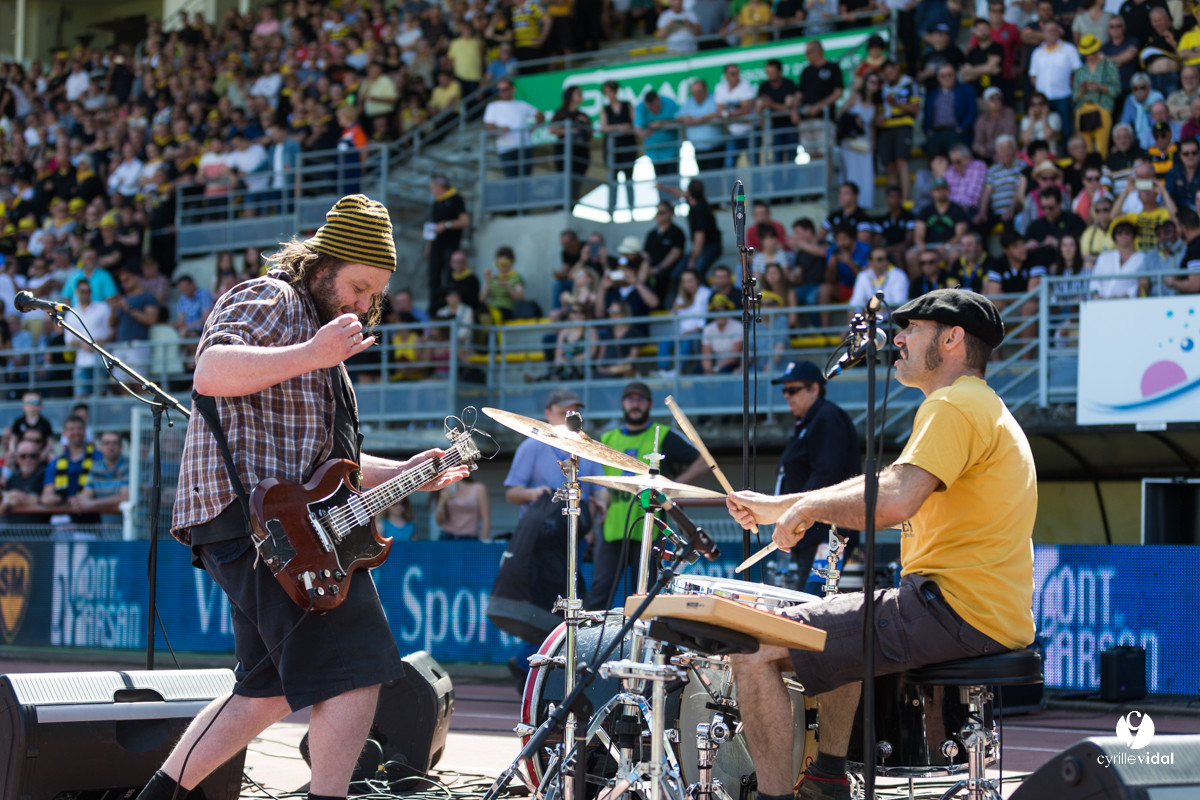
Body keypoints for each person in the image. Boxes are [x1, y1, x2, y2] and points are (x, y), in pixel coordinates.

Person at [134, 195, 469, 800]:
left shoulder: (324, 344)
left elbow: (325, 468)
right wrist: (313, 354)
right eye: (359, 286)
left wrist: (409, 469)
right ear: (321, 265)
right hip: (259, 520)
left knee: (266, 691)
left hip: (269, 524)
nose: (366, 306)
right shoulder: (273, 298)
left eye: (375, 296)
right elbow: (209, 371)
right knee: (359, 669)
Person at [726, 289, 1035, 800]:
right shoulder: (983, 406)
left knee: (754, 646)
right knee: (841, 619)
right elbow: (891, 485)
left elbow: (893, 500)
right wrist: (786, 506)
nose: (897, 338)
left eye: (912, 329)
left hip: (951, 610)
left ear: (953, 339)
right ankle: (826, 778)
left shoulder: (953, 404)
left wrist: (806, 509)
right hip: (975, 609)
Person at [588, 381, 705, 610]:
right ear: (622, 403)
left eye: (640, 399)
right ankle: (594, 643)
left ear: (649, 404)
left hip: (651, 530)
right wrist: (591, 526)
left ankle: (643, 645)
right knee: (599, 595)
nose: (635, 404)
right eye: (630, 399)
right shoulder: (608, 438)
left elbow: (702, 461)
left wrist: (672, 488)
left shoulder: (662, 435)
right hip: (612, 529)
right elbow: (597, 486)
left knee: (647, 596)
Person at [769, 360, 861, 591]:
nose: (786, 396)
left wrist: (798, 513)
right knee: (805, 601)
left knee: (812, 600)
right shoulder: (808, 421)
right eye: (784, 391)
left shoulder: (826, 418)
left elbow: (826, 473)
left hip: (829, 531)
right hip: (809, 531)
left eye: (793, 390)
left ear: (814, 389)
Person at [483, 80, 545, 178]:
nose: (502, 92)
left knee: (525, 179)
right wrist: (500, 128)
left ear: (512, 89)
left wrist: (533, 128)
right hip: (505, 149)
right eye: (499, 90)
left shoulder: (521, 104)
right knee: (512, 180)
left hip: (524, 146)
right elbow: (488, 126)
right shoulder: (493, 106)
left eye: (505, 89)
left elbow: (540, 116)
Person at [425, 172, 470, 299]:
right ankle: (435, 308)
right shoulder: (435, 203)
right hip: (436, 246)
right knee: (434, 277)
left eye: (432, 186)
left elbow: (465, 221)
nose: (431, 189)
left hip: (451, 246)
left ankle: (449, 306)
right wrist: (429, 246)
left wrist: (446, 225)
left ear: (439, 185)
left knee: (450, 277)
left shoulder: (456, 199)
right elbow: (432, 226)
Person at [435, 473, 491, 541]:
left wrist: (484, 542)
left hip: (469, 538)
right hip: (446, 536)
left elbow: (486, 520)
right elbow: (439, 521)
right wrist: (442, 501)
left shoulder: (478, 488)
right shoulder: (445, 488)